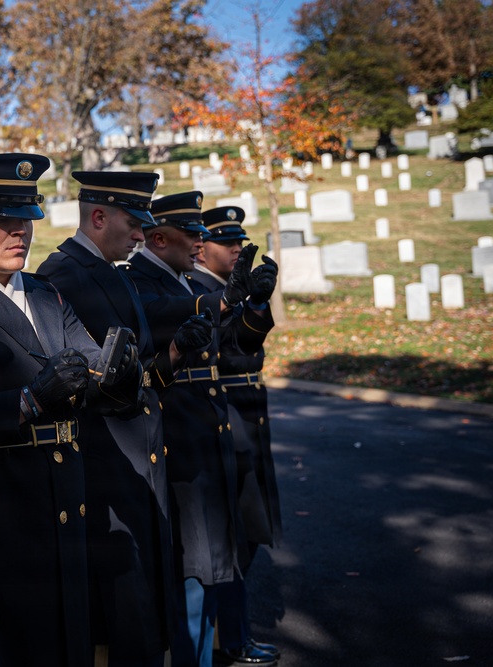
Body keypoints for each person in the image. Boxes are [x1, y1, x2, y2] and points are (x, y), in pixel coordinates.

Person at [0, 153, 146, 667]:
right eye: (2, 218)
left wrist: (123, 377)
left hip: (65, 507)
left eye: (25, 218)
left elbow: (93, 368)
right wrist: (27, 401)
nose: (19, 231)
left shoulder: (43, 292)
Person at [35, 170, 183, 667]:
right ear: (98, 217)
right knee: (116, 615)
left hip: (139, 458)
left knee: (145, 604)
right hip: (105, 463)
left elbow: (136, 368)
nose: (142, 235)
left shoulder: (114, 271)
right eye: (133, 223)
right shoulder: (62, 274)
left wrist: (174, 356)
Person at [123, 191, 255, 667]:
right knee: (192, 569)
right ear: (159, 239)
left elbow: (235, 344)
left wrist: (251, 304)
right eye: (192, 234)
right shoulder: (138, 279)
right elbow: (160, 314)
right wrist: (219, 300)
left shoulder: (182, 278)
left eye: (202, 234)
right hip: (176, 442)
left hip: (205, 436)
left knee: (214, 561)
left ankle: (211, 651)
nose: (201, 242)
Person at [187, 207, 281, 665]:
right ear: (201, 248)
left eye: (240, 243)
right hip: (226, 417)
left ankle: (233, 635)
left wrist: (258, 304)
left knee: (247, 535)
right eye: (227, 243)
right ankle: (230, 639)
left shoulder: (228, 292)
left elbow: (248, 345)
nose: (238, 251)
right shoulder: (198, 292)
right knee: (231, 539)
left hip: (248, 417)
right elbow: (227, 350)